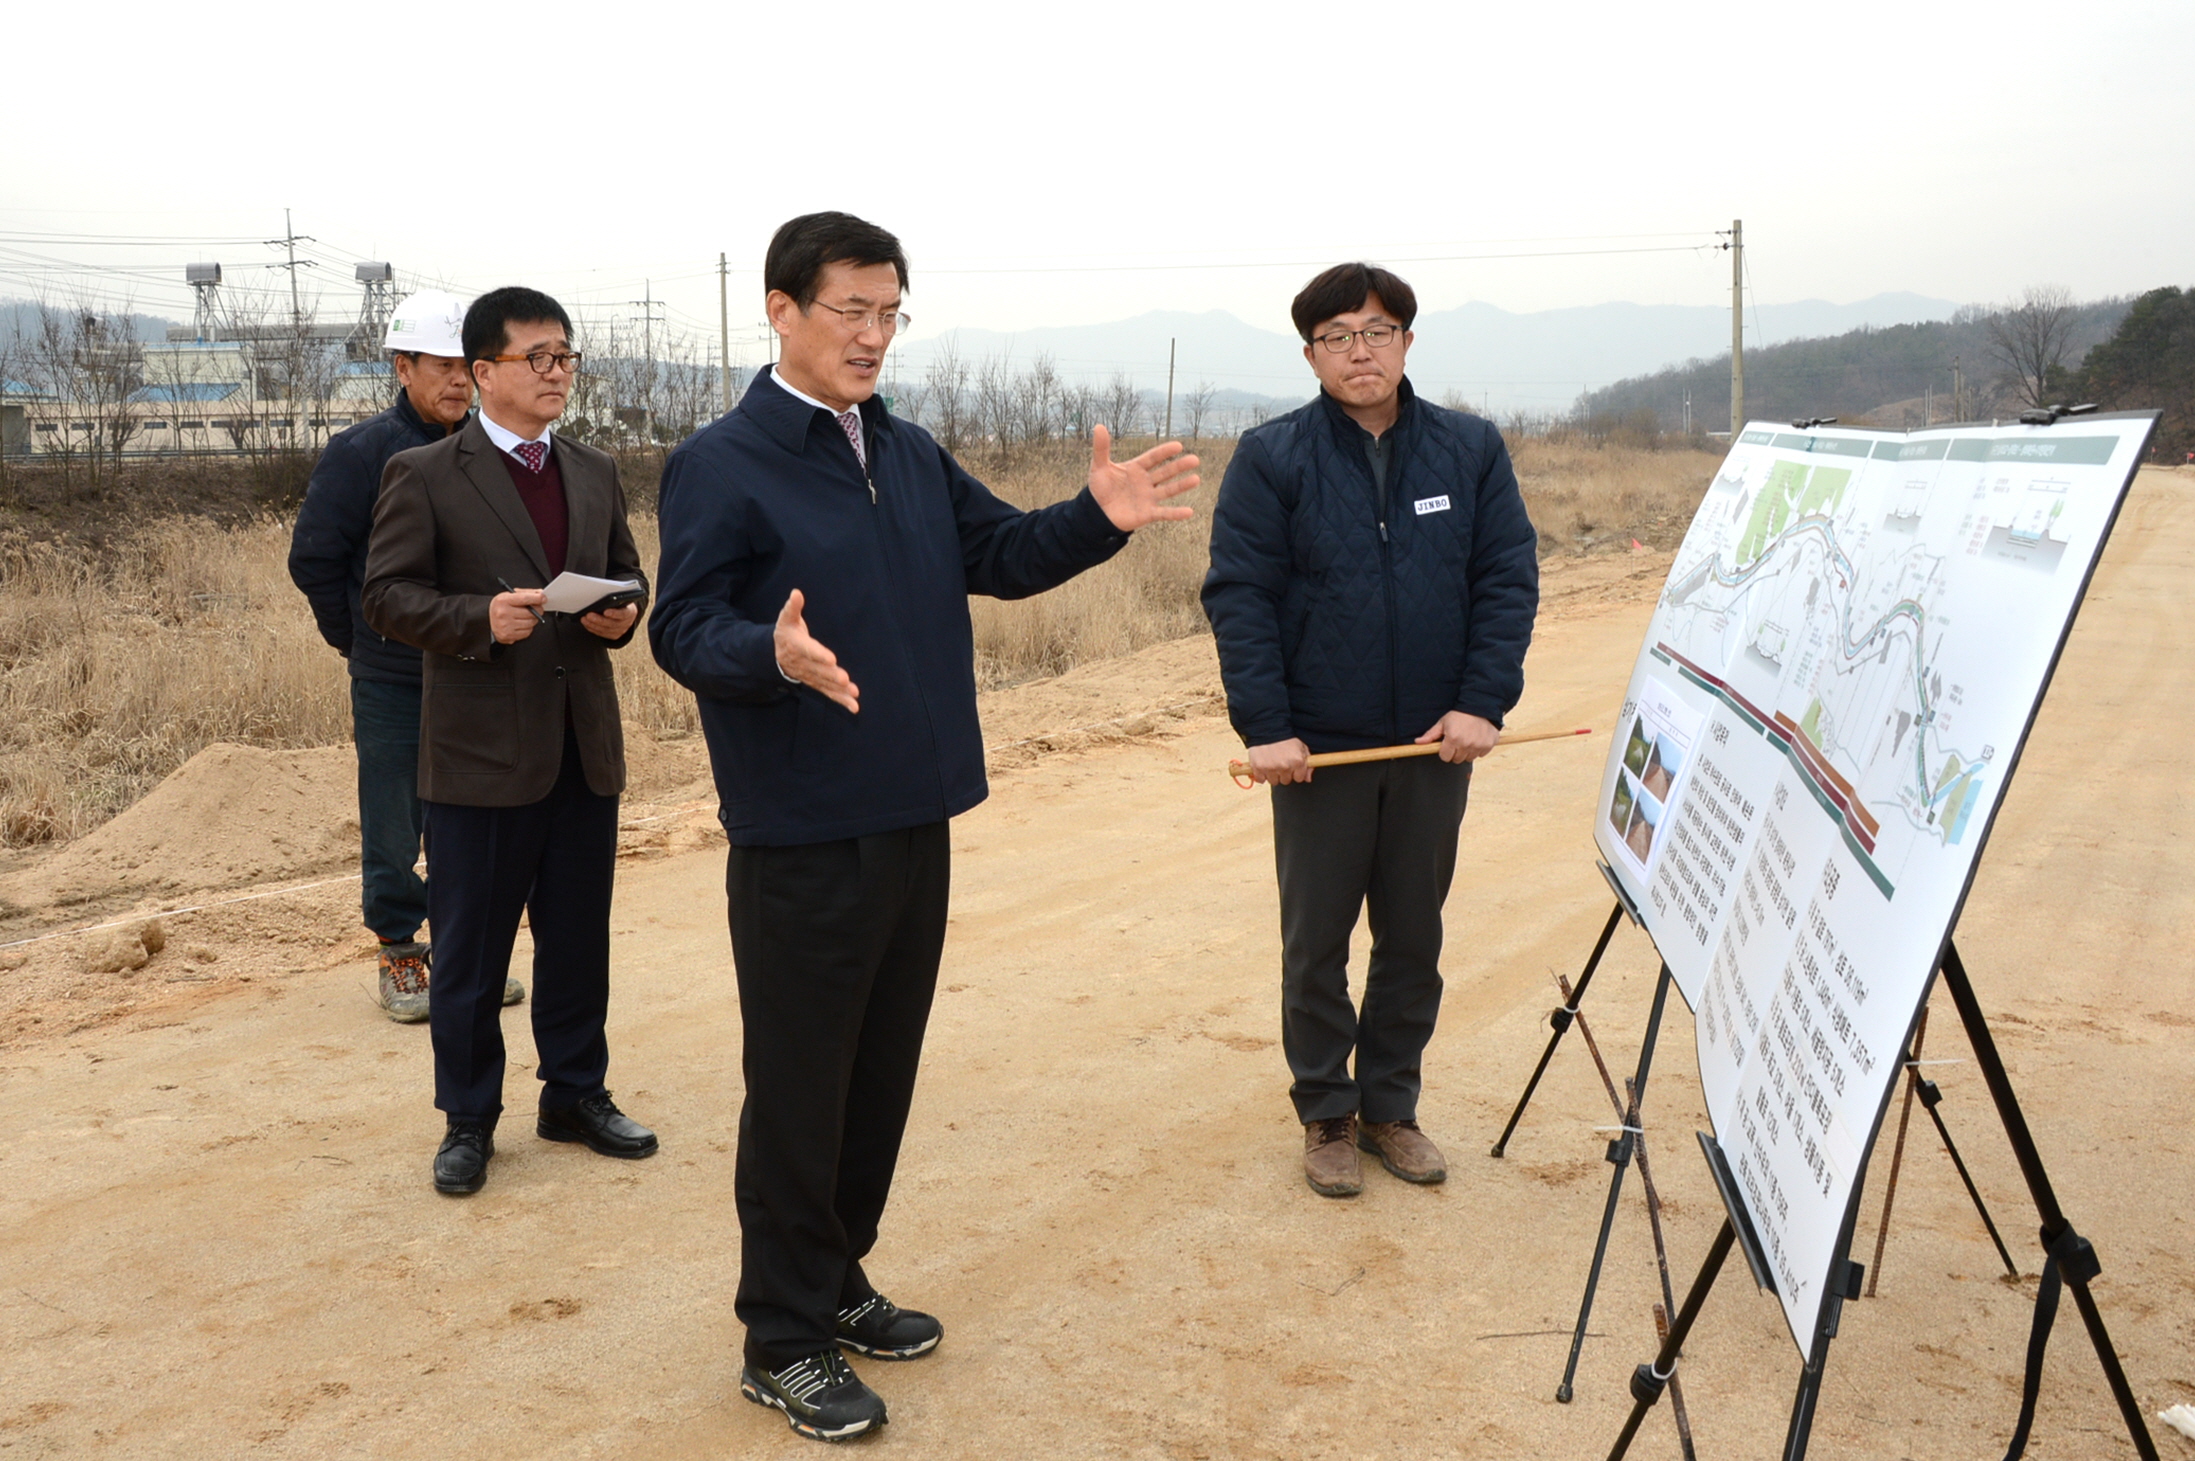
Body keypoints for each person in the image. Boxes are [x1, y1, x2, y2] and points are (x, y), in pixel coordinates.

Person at [649, 212, 1200, 1442]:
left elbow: (998, 554)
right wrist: (768, 652)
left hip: (912, 814)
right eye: (850, 309)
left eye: (891, 312)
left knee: (874, 1079)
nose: (873, 334)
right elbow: (677, 627)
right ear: (781, 311)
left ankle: (835, 1281)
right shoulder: (723, 462)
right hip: (800, 831)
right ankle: (779, 1339)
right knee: (798, 1089)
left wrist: (1095, 514)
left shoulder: (902, 449)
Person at [1201, 262, 1539, 1199]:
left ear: (1407, 342)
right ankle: (1326, 1113)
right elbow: (1241, 596)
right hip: (1322, 753)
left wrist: (1483, 702)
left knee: (1412, 935)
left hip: (1435, 744)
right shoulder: (1272, 457)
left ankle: (1392, 1106)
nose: (1361, 350)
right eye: (1338, 336)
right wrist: (1267, 726)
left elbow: (1505, 580)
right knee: (1316, 940)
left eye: (1378, 331)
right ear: (1310, 353)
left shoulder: (1468, 449)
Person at [363, 286, 656, 1197]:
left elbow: (628, 575)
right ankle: (468, 1119)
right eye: (538, 357)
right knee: (474, 952)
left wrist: (622, 616)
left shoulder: (595, 469)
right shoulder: (424, 473)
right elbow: (384, 596)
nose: (557, 372)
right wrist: (477, 618)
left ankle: (574, 1093)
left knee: (576, 939)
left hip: (581, 746)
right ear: (483, 371)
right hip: (479, 754)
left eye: (565, 355)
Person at [288, 291, 520, 1021]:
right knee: (394, 819)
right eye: (443, 366)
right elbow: (315, 560)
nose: (458, 381)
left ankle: (460, 958)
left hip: (475, 669)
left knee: (469, 820)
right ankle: (400, 953)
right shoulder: (364, 453)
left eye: (469, 367)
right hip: (393, 674)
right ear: (402, 366)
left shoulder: (493, 451)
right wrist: (354, 640)